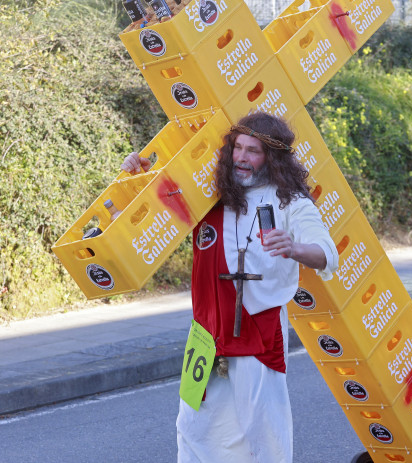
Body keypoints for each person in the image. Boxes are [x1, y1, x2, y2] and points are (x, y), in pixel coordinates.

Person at [121, 112, 339, 463]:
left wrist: (295, 248)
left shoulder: (289, 201)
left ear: (272, 157)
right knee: (194, 426)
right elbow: (145, 211)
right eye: (237, 147)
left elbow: (326, 252)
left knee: (262, 430)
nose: (241, 157)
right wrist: (137, 176)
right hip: (206, 335)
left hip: (259, 330)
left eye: (253, 151)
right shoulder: (207, 195)